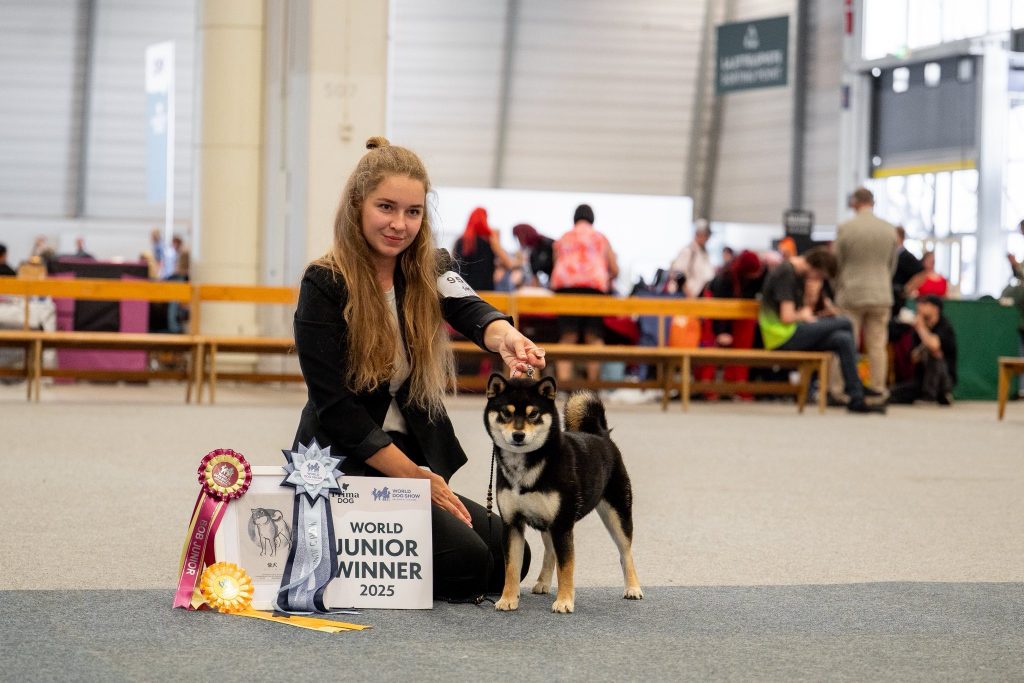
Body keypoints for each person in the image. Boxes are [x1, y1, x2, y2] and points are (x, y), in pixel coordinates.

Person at [292, 136, 546, 601]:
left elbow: (472, 310)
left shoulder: (430, 267)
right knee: (471, 565)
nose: (399, 224)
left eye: (413, 212)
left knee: (511, 556)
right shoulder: (323, 283)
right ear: (357, 204)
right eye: (386, 207)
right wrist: (414, 478)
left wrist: (508, 338)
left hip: (409, 459)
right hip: (344, 461)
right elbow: (335, 409)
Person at [758, 247, 885, 414]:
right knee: (845, 322)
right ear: (817, 268)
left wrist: (815, 311)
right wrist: (804, 315)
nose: (818, 280)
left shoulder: (797, 275)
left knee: (843, 339)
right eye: (820, 277)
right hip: (780, 336)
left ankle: (856, 397)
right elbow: (787, 317)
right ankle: (856, 385)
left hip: (791, 332)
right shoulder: (786, 273)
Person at [831, 187, 898, 402]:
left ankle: (839, 390)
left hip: (852, 293)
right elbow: (891, 265)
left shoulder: (846, 228)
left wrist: (837, 287)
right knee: (877, 344)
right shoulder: (889, 230)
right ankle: (877, 389)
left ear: (855, 203)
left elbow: (835, 263)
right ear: (872, 202)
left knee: (846, 342)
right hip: (881, 294)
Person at [549, 203, 618, 383]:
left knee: (567, 336)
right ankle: (593, 384)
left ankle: (563, 385)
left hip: (565, 289)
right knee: (593, 337)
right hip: (593, 289)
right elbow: (614, 268)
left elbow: (555, 263)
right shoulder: (600, 238)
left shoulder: (564, 237)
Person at [889, 295, 957, 405]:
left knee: (934, 352)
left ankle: (932, 395)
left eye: (925, 304)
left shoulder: (944, 325)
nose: (919, 307)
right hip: (922, 378)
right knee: (893, 393)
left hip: (944, 378)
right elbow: (913, 358)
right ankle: (938, 395)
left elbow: (934, 346)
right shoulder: (918, 329)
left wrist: (921, 328)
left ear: (935, 309)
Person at [452, 207, 517, 291]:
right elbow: (509, 264)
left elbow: (455, 266)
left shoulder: (461, 241)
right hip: (486, 290)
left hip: (464, 289)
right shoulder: (490, 242)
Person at [669, 219, 714, 297]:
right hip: (687, 296)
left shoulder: (703, 252)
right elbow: (677, 274)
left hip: (699, 294)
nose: (707, 239)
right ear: (699, 234)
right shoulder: (688, 251)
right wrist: (688, 294)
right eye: (706, 235)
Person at [891, 226, 923, 317]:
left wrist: (906, 289)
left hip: (898, 299)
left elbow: (922, 273)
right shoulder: (892, 255)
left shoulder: (907, 256)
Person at [511, 223, 555, 288]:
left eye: (519, 237)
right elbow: (534, 278)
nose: (519, 241)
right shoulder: (532, 254)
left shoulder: (549, 244)